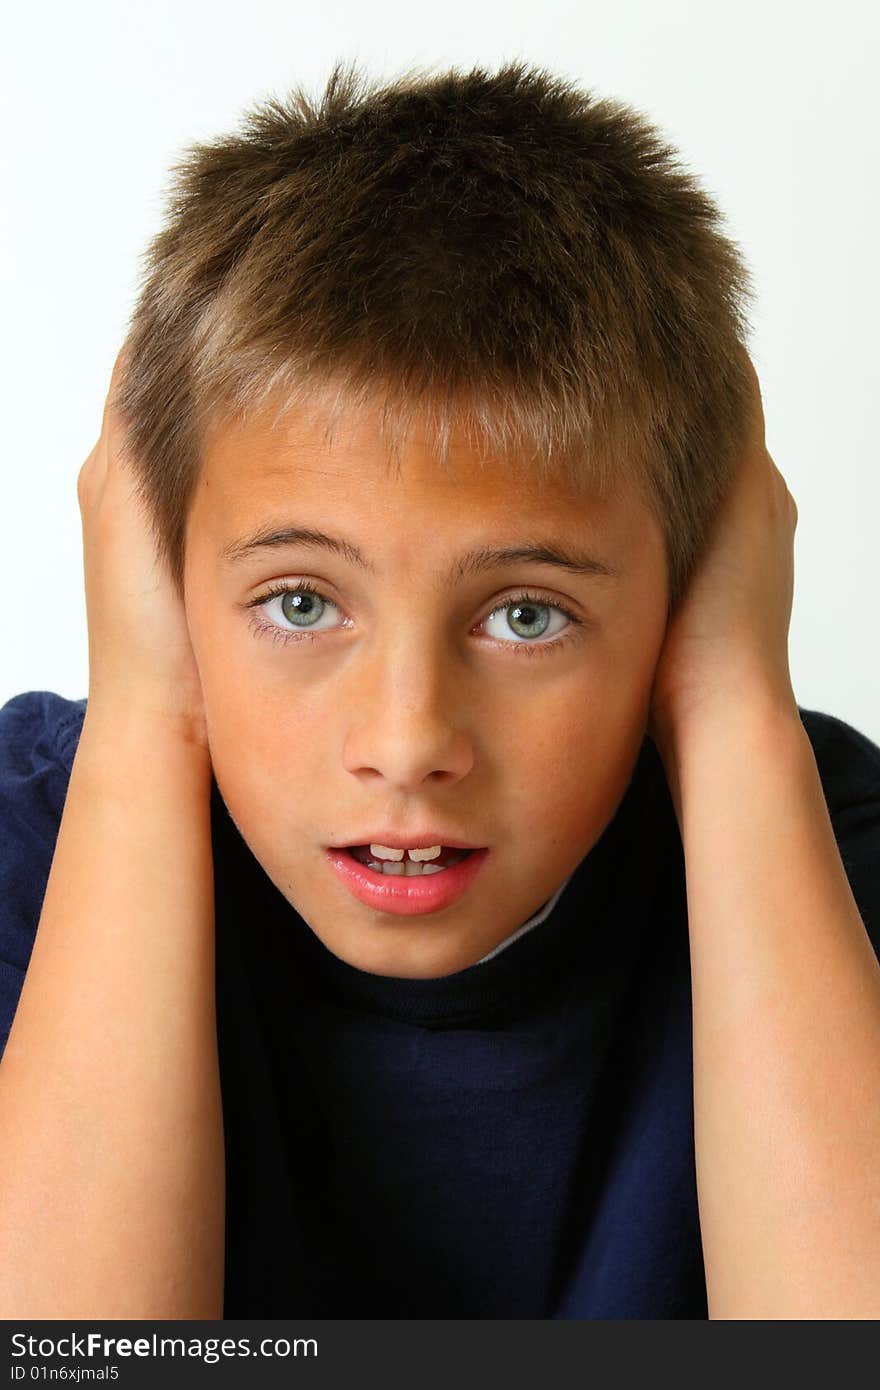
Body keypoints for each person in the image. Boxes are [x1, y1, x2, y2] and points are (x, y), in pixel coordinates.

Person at [1, 60, 879, 1321]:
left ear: (687, 598)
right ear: (156, 569)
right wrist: (145, 711)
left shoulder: (828, 860)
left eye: (526, 614)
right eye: (300, 602)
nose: (407, 743)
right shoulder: (31, 849)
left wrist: (734, 700)